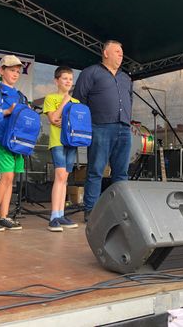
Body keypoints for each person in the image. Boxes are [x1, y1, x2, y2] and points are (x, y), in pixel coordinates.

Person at [73, 40, 133, 221]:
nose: (121, 55)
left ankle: (120, 211)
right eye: (117, 52)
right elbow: (78, 100)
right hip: (100, 127)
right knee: (96, 170)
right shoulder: (90, 72)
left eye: (122, 52)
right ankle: (91, 211)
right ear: (106, 53)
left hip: (124, 128)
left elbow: (130, 100)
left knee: (121, 173)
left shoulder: (126, 78)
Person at [0, 55, 26, 232]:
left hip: (18, 142)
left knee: (10, 179)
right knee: (6, 176)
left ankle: (4, 216)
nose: (15, 74)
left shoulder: (21, 96)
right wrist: (8, 111)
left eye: (17, 71)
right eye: (11, 70)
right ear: (1, 70)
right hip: (2, 138)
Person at [43, 66, 80, 232]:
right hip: (57, 141)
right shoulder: (50, 98)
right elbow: (53, 118)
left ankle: (61, 214)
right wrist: (64, 102)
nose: (68, 82)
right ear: (56, 81)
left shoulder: (77, 102)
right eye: (65, 78)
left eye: (70, 79)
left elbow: (76, 124)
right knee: (59, 176)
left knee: (65, 178)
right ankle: (54, 216)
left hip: (71, 143)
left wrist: (64, 122)